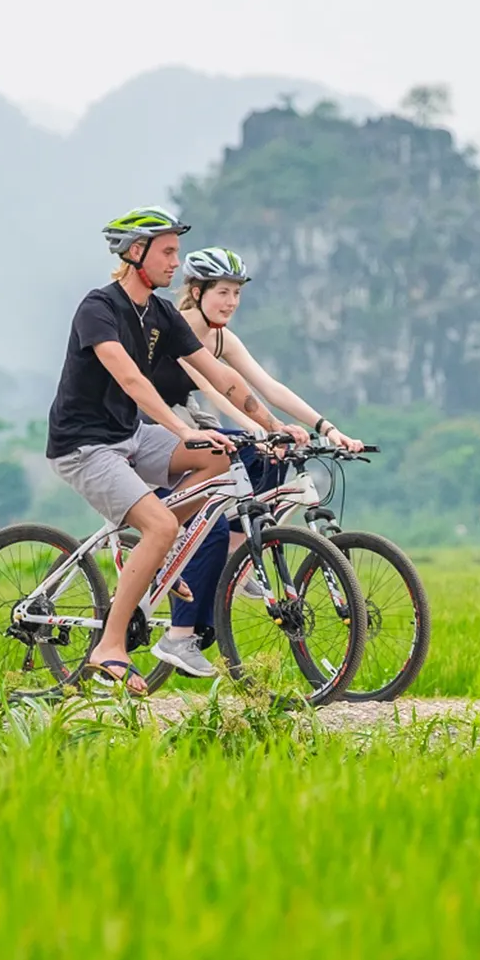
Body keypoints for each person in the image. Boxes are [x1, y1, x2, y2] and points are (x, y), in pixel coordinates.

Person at [45, 207, 287, 694]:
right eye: (168, 252)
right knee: (159, 522)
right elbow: (131, 379)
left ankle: (168, 550)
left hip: (129, 437)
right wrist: (182, 429)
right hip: (84, 446)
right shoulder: (99, 308)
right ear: (137, 253)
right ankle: (109, 647)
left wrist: (275, 426)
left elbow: (222, 377)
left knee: (222, 457)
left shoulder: (160, 314)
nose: (178, 263)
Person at [142, 246, 365, 678]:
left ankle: (240, 550)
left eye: (237, 294)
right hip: (152, 433)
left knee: (268, 459)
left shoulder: (221, 336)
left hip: (186, 430)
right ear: (196, 290)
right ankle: (181, 632)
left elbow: (267, 386)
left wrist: (327, 427)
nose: (230, 302)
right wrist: (262, 430)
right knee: (213, 514)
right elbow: (220, 390)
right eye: (222, 292)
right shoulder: (180, 329)